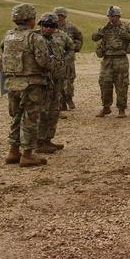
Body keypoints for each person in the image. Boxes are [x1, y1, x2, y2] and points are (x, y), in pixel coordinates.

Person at [0, 3, 50, 167]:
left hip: (12, 83)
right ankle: (27, 154)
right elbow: (43, 61)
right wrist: (54, 64)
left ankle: (13, 151)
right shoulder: (34, 38)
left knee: (16, 116)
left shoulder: (8, 36)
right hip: (31, 84)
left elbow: (1, 60)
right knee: (30, 118)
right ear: (31, 19)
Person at [91, 6, 130, 117]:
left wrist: (129, 37)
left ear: (119, 16)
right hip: (107, 59)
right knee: (105, 83)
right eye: (109, 16)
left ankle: (121, 109)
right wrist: (100, 34)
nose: (111, 18)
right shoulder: (105, 28)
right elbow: (94, 38)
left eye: (113, 16)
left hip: (121, 59)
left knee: (122, 84)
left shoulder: (126, 28)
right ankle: (106, 107)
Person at [36, 12, 73, 154]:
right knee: (42, 111)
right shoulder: (35, 38)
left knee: (53, 111)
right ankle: (39, 141)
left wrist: (65, 62)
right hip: (42, 82)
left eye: (52, 26)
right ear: (41, 25)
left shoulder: (58, 39)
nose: (48, 28)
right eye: (45, 25)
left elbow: (70, 48)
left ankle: (47, 139)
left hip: (56, 81)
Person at [54, 6, 83, 111]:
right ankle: (62, 103)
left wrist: (76, 48)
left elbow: (79, 37)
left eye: (60, 15)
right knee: (58, 81)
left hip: (68, 58)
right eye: (57, 15)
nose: (58, 17)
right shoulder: (51, 27)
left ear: (64, 16)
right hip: (56, 59)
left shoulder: (71, 27)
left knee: (69, 81)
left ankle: (69, 98)